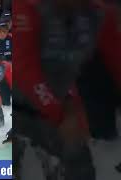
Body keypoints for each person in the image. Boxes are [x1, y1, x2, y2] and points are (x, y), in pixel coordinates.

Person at [13, 0, 121, 179]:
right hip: (18, 101)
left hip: (62, 99)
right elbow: (23, 67)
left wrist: (70, 109)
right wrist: (61, 114)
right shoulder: (26, 7)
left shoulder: (99, 12)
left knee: (81, 168)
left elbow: (115, 56)